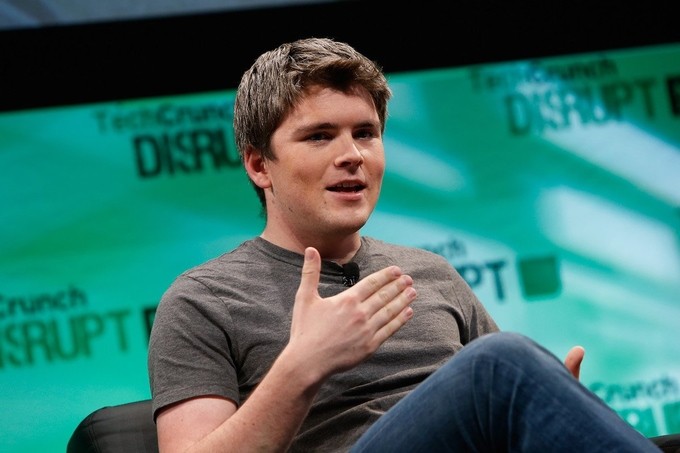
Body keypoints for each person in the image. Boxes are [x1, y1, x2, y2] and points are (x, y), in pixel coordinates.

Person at [147, 37, 659, 452]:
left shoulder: (431, 272)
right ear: (260, 165)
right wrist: (302, 366)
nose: (352, 155)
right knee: (499, 363)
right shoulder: (203, 300)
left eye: (365, 133)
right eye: (320, 136)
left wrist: (546, 412)